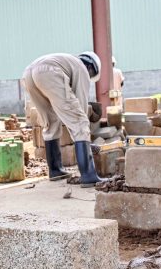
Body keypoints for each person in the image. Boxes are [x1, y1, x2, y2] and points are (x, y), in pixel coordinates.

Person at [22, 51, 103, 186]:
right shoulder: (81, 68)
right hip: (48, 72)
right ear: (91, 68)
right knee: (80, 122)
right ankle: (88, 175)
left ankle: (55, 170)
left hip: (28, 74)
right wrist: (84, 136)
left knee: (50, 121)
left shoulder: (67, 62)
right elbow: (80, 106)